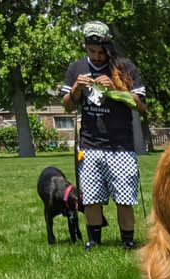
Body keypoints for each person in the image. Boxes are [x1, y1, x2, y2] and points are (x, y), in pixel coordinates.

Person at [61, 20, 147, 250]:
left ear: (109, 47)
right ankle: (94, 242)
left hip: (121, 145)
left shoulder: (124, 68)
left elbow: (140, 106)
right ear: (86, 47)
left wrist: (116, 88)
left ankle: (128, 241)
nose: (97, 57)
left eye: (101, 52)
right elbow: (67, 106)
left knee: (125, 198)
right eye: (92, 52)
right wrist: (76, 90)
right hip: (90, 145)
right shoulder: (76, 69)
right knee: (91, 198)